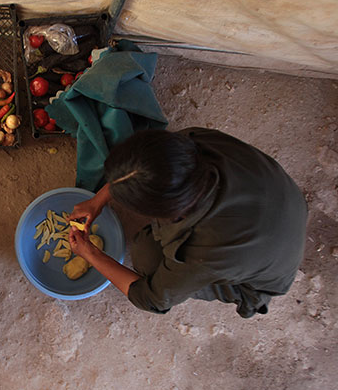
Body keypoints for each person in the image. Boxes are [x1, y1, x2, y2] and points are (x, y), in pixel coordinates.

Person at [68, 128, 308, 318]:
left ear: (170, 211)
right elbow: (148, 166)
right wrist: (97, 201)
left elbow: (153, 300)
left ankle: (241, 293)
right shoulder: (191, 144)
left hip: (261, 274)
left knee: (145, 254)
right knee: (152, 239)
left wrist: (90, 253)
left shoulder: (206, 252)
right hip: (283, 199)